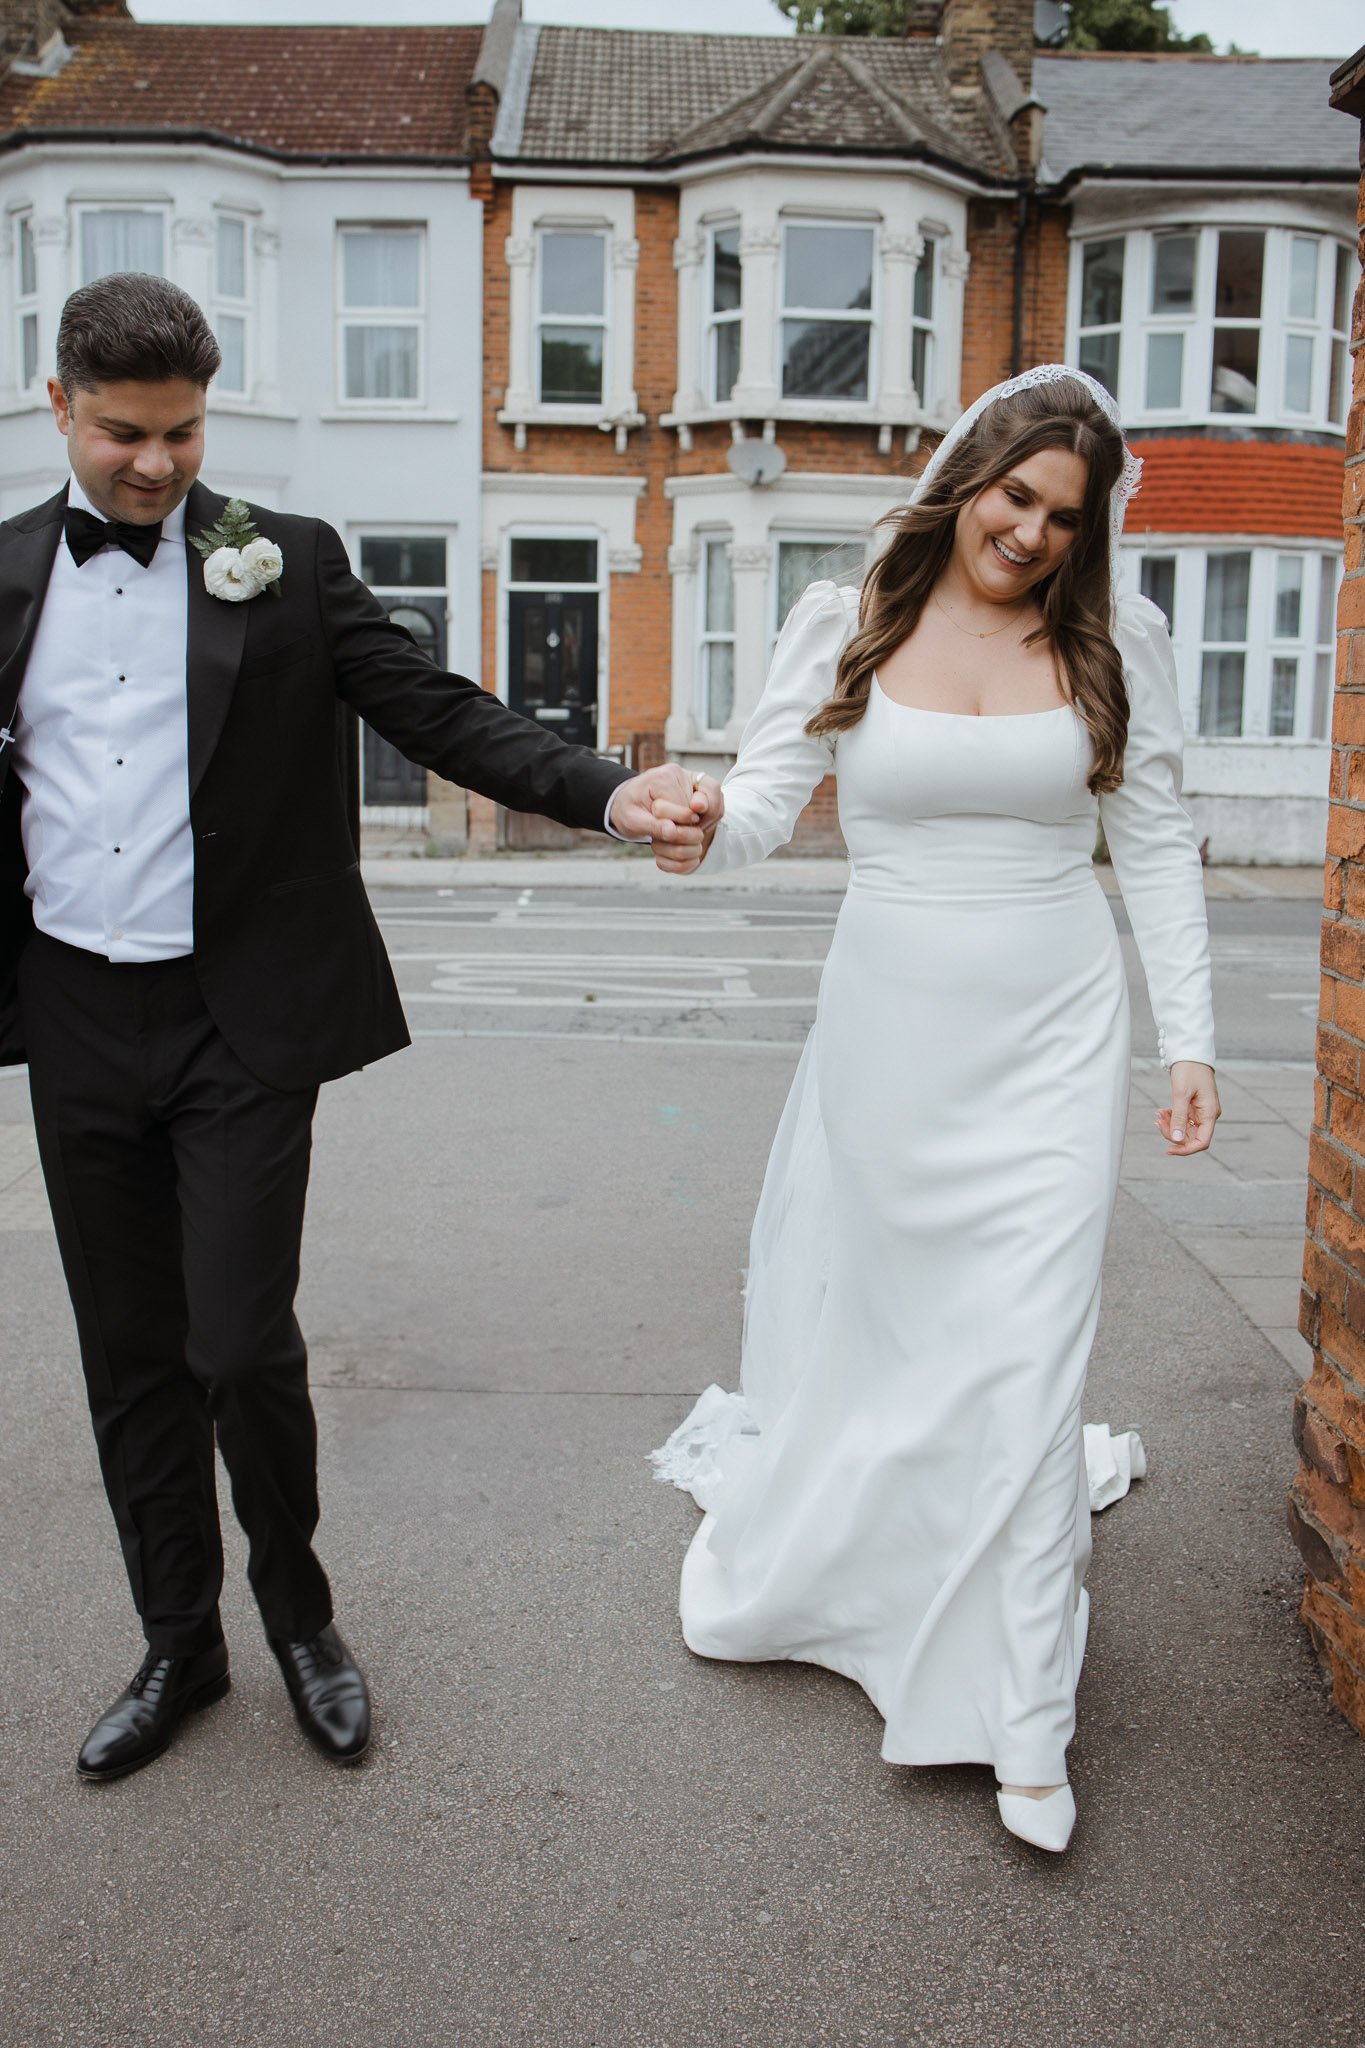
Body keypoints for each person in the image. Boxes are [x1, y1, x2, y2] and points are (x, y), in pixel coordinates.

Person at [0, 273, 702, 1782]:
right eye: (124, 433)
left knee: (239, 1341)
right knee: (129, 1357)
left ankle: (301, 1619)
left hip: (234, 1017)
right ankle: (177, 1643)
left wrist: (603, 791)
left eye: (183, 434)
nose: (156, 466)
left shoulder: (286, 562)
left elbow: (434, 708)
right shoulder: (6, 573)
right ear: (57, 404)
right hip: (70, 1010)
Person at [651, 366, 1219, 1854]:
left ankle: (1020, 1717)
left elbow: (1152, 840)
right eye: (1012, 494)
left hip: (1053, 1028)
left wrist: (1192, 1043)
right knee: (903, 1335)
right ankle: (877, 1574)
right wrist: (701, 830)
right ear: (968, 475)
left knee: (1030, 1354)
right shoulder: (847, 621)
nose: (1027, 532)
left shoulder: (1114, 641)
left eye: (1060, 516)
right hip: (887, 1034)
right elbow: (767, 810)